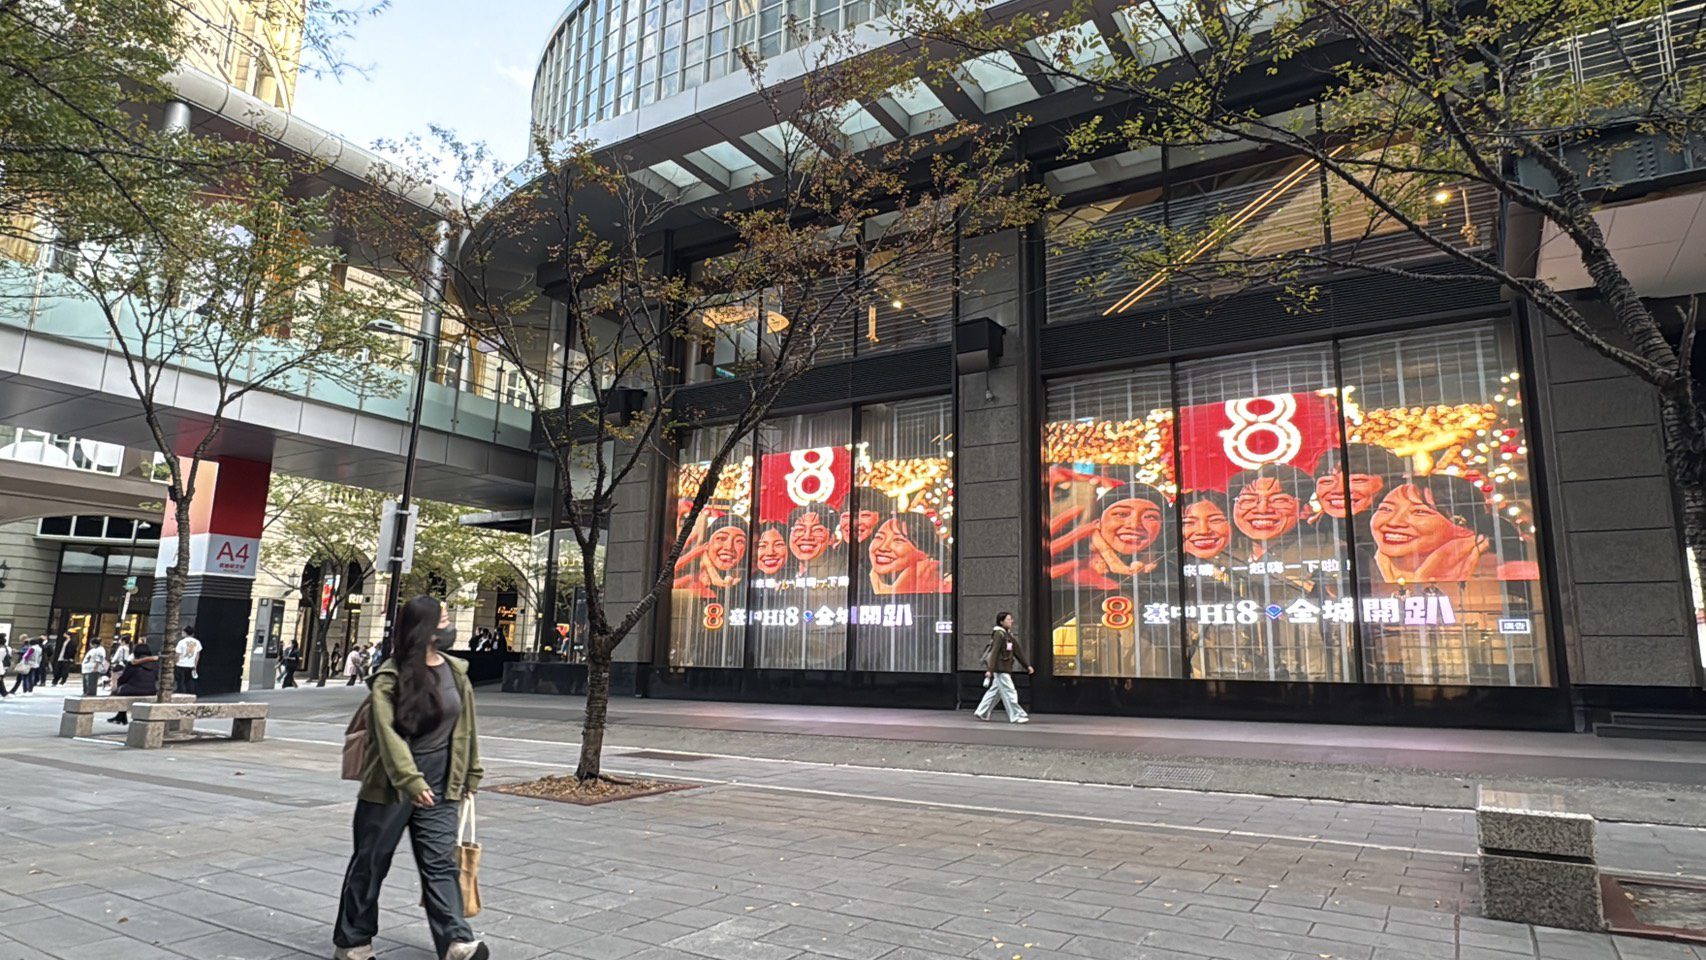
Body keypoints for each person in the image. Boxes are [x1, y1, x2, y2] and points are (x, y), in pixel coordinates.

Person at [334, 595, 487, 960]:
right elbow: (387, 735)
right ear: (425, 629)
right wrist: (411, 781)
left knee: (440, 863)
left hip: (443, 781)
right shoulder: (390, 677)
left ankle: (456, 942)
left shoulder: (455, 672)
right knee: (371, 862)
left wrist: (471, 772)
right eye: (444, 620)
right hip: (390, 784)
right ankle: (352, 942)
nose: (449, 626)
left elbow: (466, 728)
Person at [866, 513, 950, 595]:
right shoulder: (864, 581)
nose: (883, 547)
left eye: (898, 540)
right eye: (879, 537)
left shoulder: (946, 587)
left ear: (925, 552)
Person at [974, 612, 1033, 724]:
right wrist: (990, 670)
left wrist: (1027, 665)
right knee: (1010, 692)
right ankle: (1016, 716)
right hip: (1000, 669)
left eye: (1011, 619)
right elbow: (994, 652)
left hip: (1004, 668)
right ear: (1001, 622)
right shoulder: (999, 634)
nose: (1011, 621)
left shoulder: (1008, 635)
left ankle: (982, 711)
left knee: (994, 692)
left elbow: (1017, 651)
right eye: (1008, 619)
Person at [108, 642, 160, 725]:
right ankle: (121, 716)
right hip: (151, 690)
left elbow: (123, 678)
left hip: (133, 690)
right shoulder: (156, 664)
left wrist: (118, 686)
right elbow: (156, 678)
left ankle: (121, 715)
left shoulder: (132, 664)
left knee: (122, 690)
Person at [174, 626, 202, 696]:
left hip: (181, 664)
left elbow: (177, 654)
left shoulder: (181, 642)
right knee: (190, 682)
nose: (182, 633)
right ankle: (190, 694)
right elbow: (197, 656)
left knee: (181, 682)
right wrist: (195, 665)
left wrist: (174, 663)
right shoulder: (197, 642)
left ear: (185, 632)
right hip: (191, 665)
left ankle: (181, 695)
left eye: (183, 631)